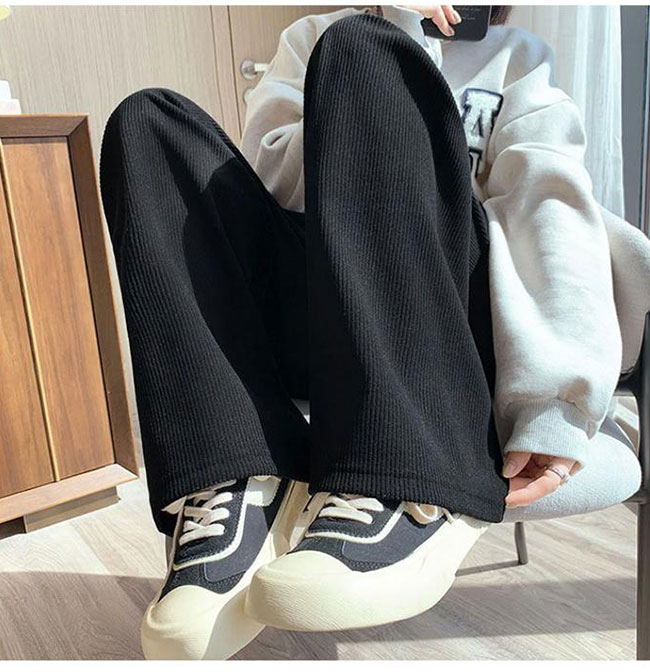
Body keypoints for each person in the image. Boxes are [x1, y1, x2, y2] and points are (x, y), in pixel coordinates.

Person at [99, 4, 623, 660]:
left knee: (367, 54)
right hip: (321, 310)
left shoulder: (519, 59)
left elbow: (549, 209)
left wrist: (556, 406)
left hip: (443, 333)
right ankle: (241, 483)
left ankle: (407, 474)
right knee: (147, 120)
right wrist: (391, 29)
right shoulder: (312, 38)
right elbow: (272, 187)